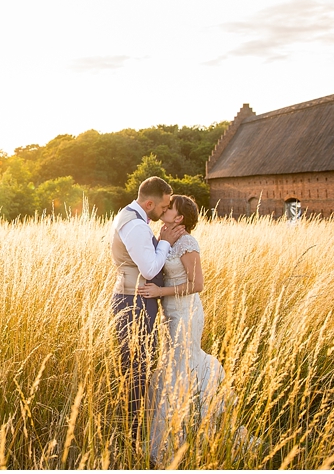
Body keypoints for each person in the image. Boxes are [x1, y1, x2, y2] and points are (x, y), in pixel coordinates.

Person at [137, 194, 225, 463]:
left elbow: (197, 284)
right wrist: (164, 240)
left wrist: (160, 291)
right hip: (170, 314)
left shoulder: (188, 242)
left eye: (169, 207)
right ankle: (181, 433)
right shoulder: (169, 237)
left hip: (186, 314)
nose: (164, 208)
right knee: (175, 367)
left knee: (180, 368)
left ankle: (169, 445)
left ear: (180, 218)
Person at [109, 176, 186, 441]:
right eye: (164, 208)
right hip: (135, 302)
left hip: (135, 299)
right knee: (137, 369)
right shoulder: (137, 227)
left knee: (138, 367)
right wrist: (164, 240)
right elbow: (150, 268)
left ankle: (134, 430)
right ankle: (134, 435)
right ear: (150, 202)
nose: (165, 212)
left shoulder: (131, 218)